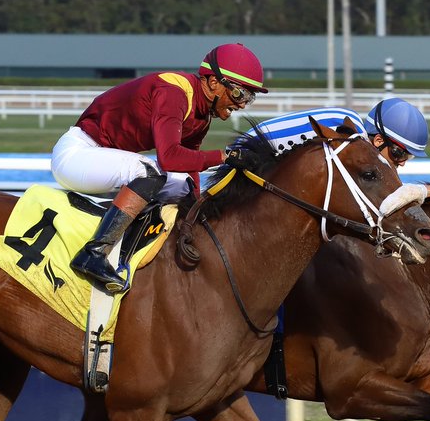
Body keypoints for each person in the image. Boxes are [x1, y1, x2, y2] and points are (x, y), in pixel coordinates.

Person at [52, 43, 268, 294]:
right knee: (149, 173)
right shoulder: (174, 92)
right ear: (213, 82)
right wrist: (225, 156)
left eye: (249, 98)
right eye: (240, 94)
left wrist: (197, 206)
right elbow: (169, 158)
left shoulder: (202, 115)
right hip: (78, 154)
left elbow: (189, 168)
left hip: (102, 156)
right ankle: (93, 253)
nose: (242, 104)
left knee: (184, 188)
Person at [240, 97, 430, 213]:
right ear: (378, 141)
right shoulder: (352, 136)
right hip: (246, 165)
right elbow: (389, 199)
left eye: (408, 157)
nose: (401, 163)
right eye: (399, 154)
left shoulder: (353, 133)